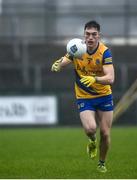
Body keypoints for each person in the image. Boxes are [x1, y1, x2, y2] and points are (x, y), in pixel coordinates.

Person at [51, 20, 115, 173]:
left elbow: (111, 78)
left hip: (104, 96)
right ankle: (92, 141)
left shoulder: (105, 52)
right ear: (84, 35)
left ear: (99, 36)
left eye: (94, 34)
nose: (90, 38)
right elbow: (66, 59)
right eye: (87, 34)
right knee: (91, 129)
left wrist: (95, 79)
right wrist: (58, 64)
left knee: (105, 133)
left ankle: (101, 163)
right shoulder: (78, 47)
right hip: (84, 96)